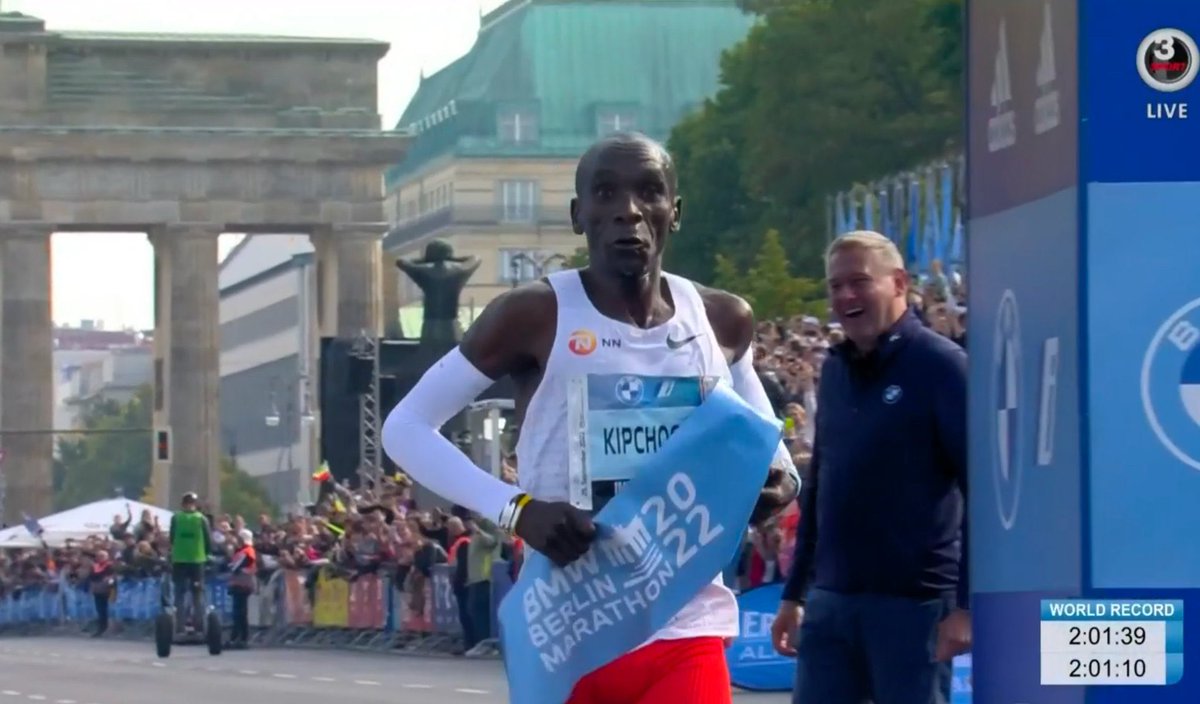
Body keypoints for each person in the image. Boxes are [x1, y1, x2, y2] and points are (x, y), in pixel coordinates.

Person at [382, 132, 799, 704]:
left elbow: (775, 457)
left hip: (685, 626)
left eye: (649, 192)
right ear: (580, 216)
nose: (628, 210)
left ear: (673, 214)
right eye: (606, 194)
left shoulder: (723, 320)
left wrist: (773, 486)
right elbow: (404, 428)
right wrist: (516, 510)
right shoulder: (533, 315)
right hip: (573, 630)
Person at [770, 231, 969, 704]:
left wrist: (965, 605)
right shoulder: (835, 369)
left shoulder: (943, 367)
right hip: (832, 603)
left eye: (859, 282)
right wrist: (794, 593)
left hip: (913, 606)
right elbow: (820, 486)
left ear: (899, 282)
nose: (845, 296)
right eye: (835, 286)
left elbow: (980, 489)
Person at [168, 492, 213, 633]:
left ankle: (179, 626)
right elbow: (208, 540)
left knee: (179, 593)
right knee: (197, 593)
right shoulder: (201, 519)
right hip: (197, 560)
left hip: (180, 559)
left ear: (182, 504)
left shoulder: (176, 518)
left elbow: (172, 537)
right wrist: (207, 554)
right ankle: (199, 625)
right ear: (195, 504)